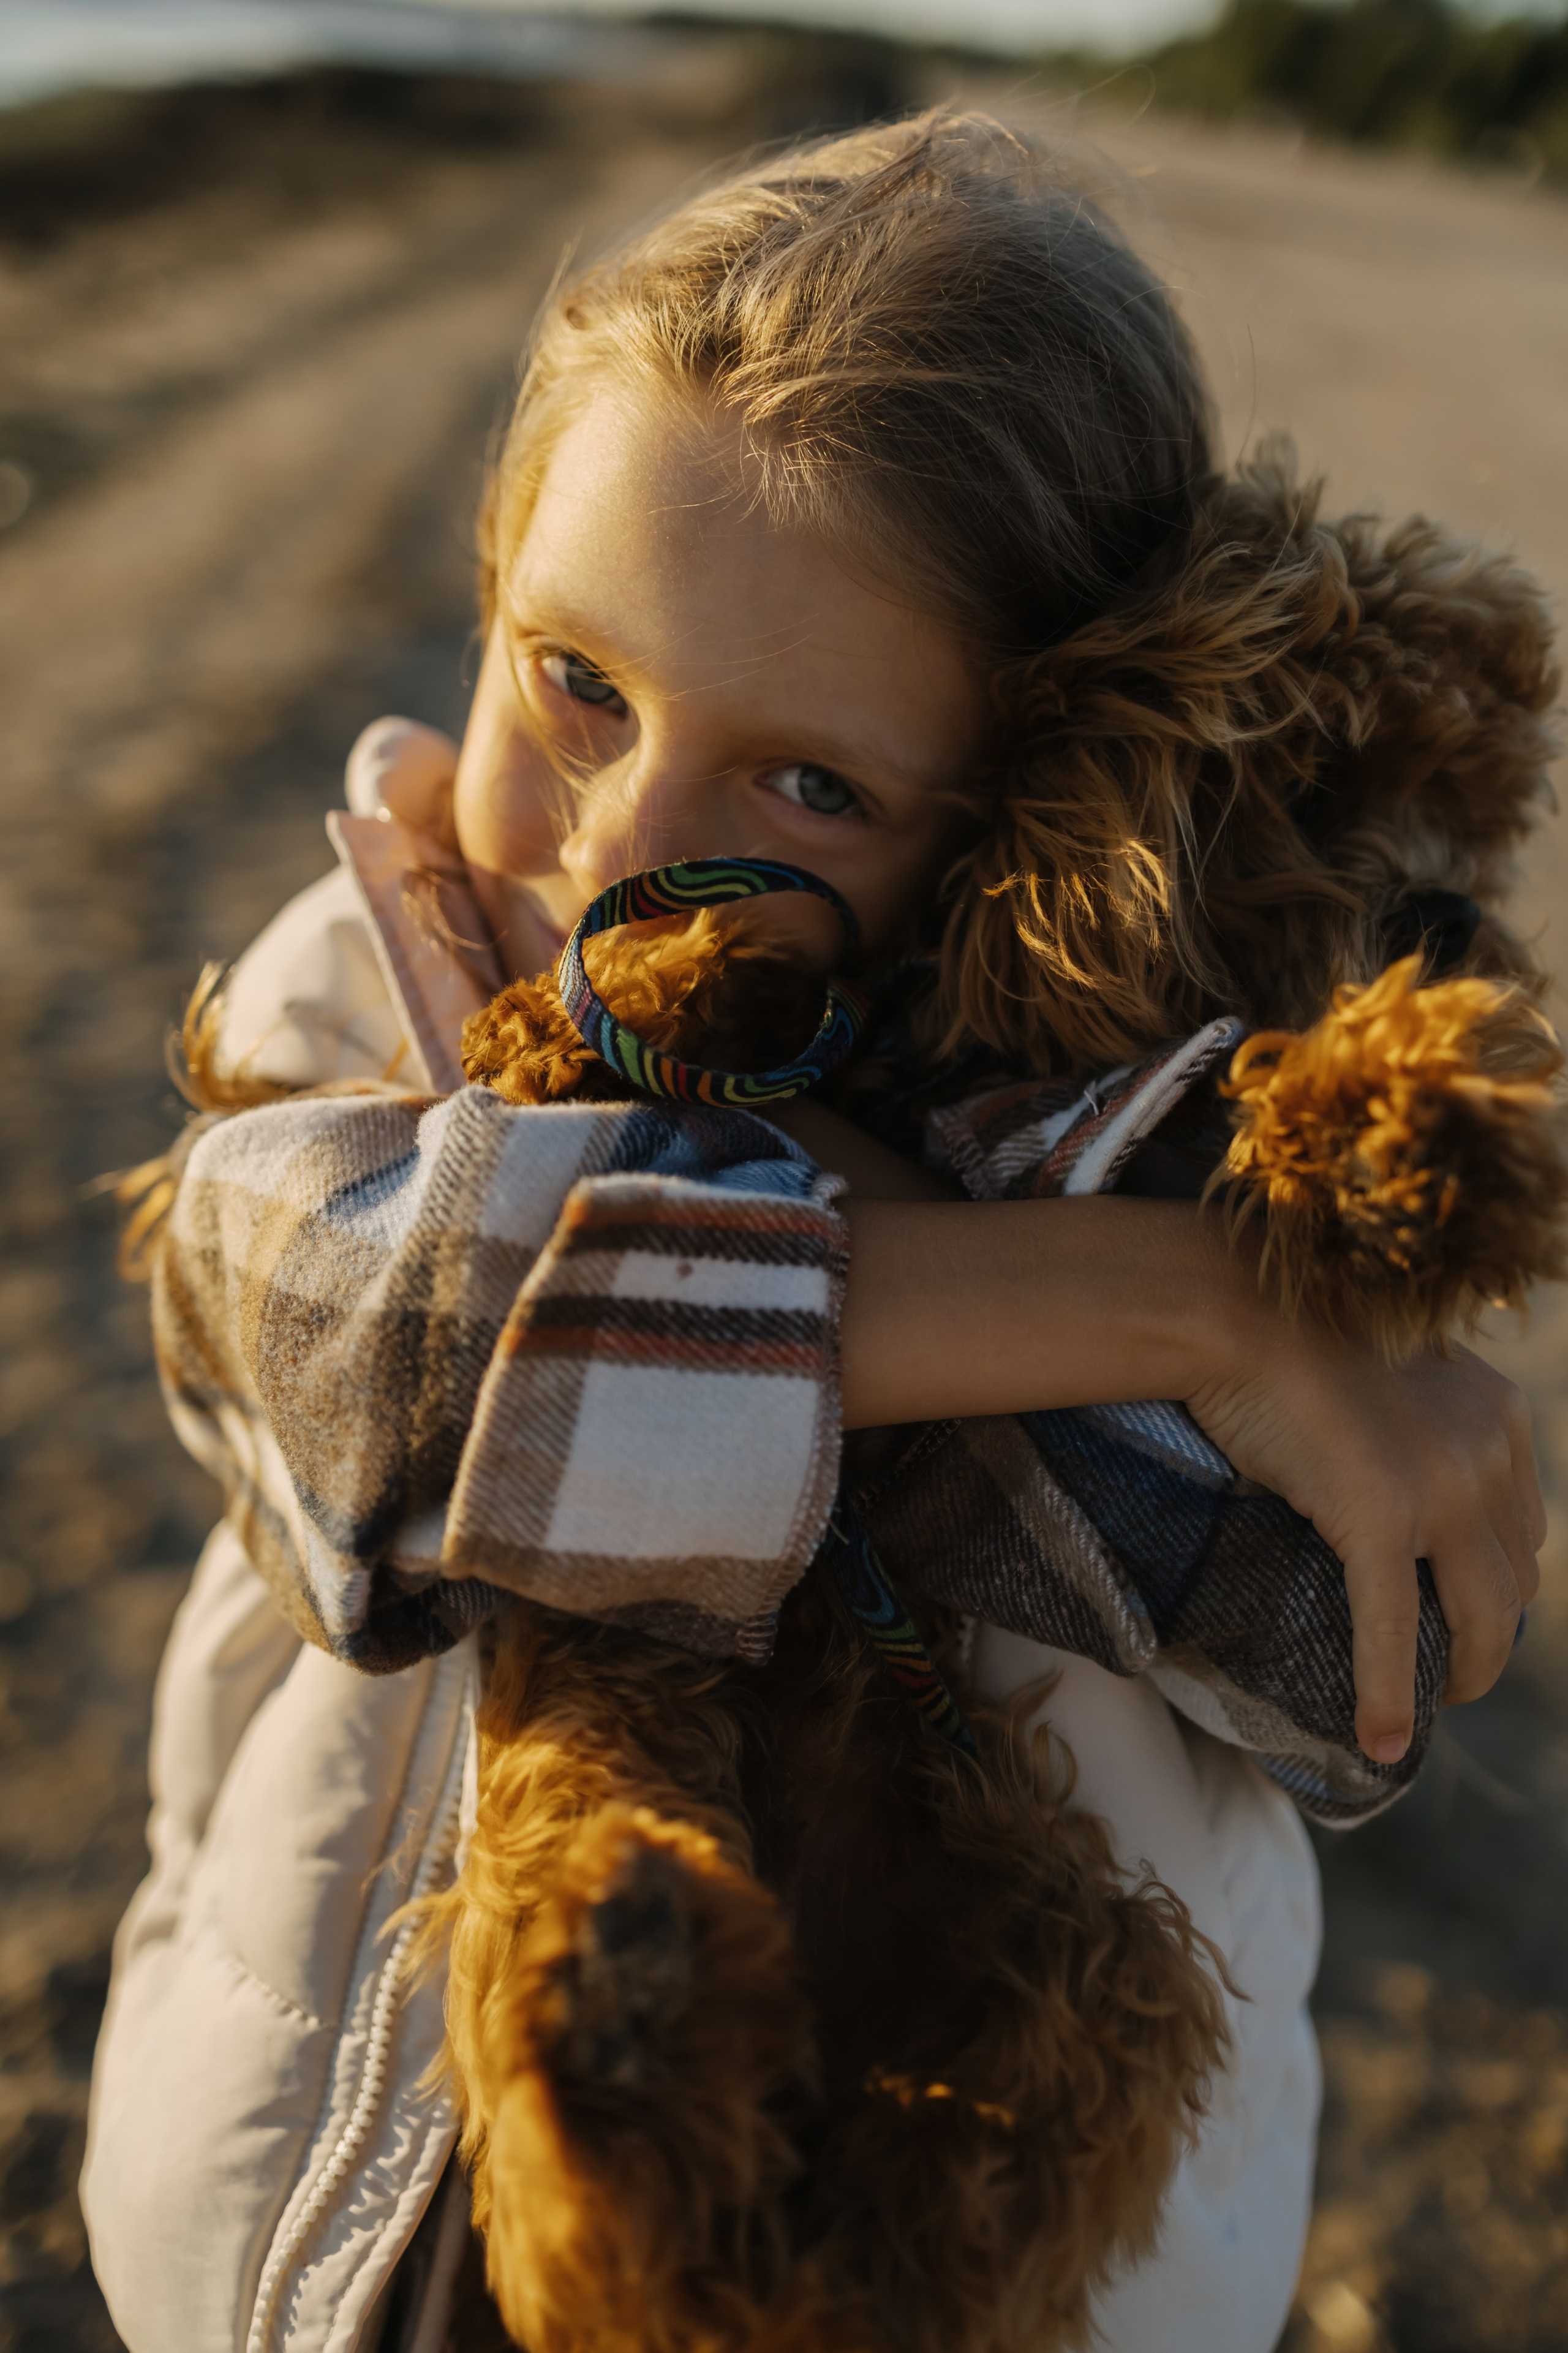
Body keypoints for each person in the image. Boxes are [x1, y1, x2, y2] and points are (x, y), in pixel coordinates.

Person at [82, 110, 1548, 2353]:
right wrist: (1164, 1311)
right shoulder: (361, 996)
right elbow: (386, 1375)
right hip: (354, 2226)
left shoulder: (1123, 1123)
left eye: (814, 785)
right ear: (488, 583)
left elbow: (1332, 1681)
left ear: (1039, 794)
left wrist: (1099, 1249)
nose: (620, 846)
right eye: (577, 682)